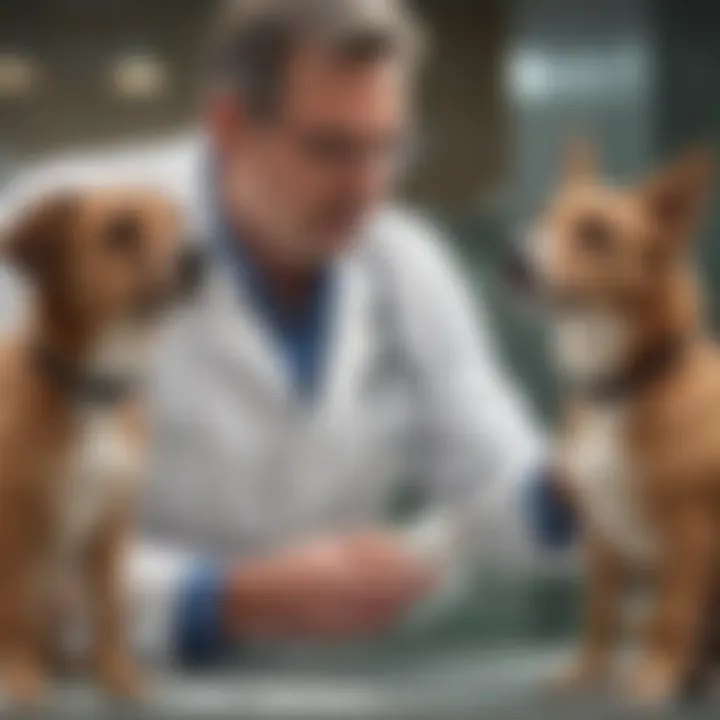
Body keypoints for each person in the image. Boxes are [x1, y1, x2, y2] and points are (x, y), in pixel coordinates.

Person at [0, 0, 572, 667]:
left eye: (387, 147)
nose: (366, 187)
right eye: (331, 148)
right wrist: (220, 598)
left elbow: (498, 479)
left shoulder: (405, 263)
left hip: (314, 685)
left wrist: (599, 478)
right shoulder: (76, 228)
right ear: (229, 126)